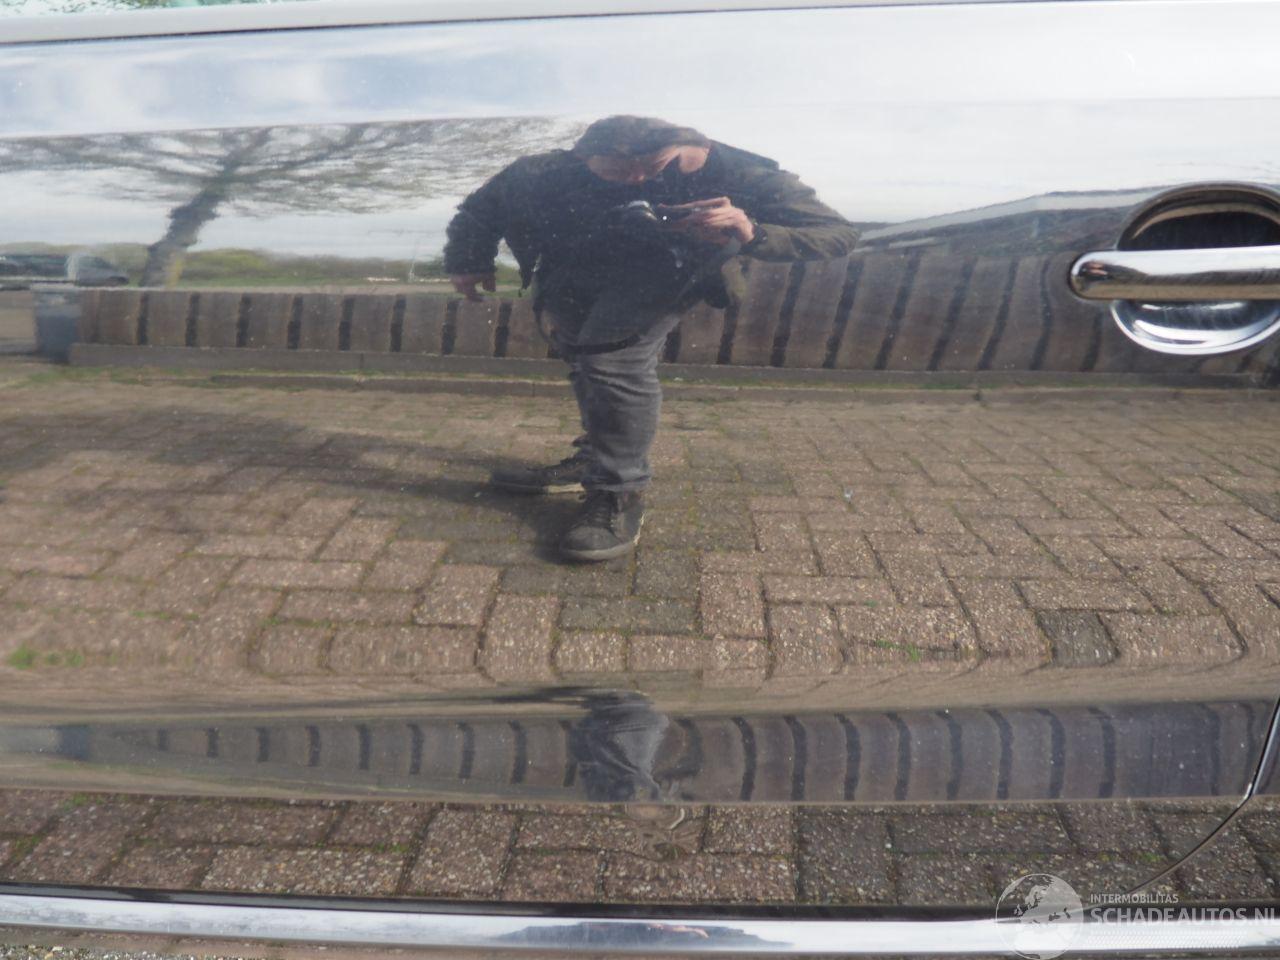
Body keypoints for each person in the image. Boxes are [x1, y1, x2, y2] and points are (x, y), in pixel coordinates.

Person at [444, 115, 857, 562]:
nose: (637, 179)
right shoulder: (542, 170)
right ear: (582, 156)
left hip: (664, 275)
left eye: (653, 166)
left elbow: (838, 235)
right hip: (572, 273)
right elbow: (480, 210)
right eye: (618, 171)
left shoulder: (744, 174)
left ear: (686, 145)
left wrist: (752, 231)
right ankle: (596, 458)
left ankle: (619, 491)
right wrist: (468, 260)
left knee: (612, 363)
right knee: (584, 360)